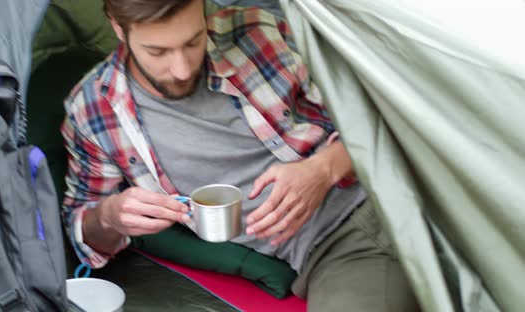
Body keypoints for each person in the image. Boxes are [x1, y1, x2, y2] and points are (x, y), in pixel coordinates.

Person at [61, 0, 419, 310]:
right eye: (158, 52)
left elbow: (387, 114)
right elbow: (84, 231)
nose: (182, 69)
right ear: (119, 29)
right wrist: (109, 216)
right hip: (318, 256)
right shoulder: (93, 110)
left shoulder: (257, 33)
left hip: (363, 213)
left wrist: (323, 169)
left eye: (193, 41)